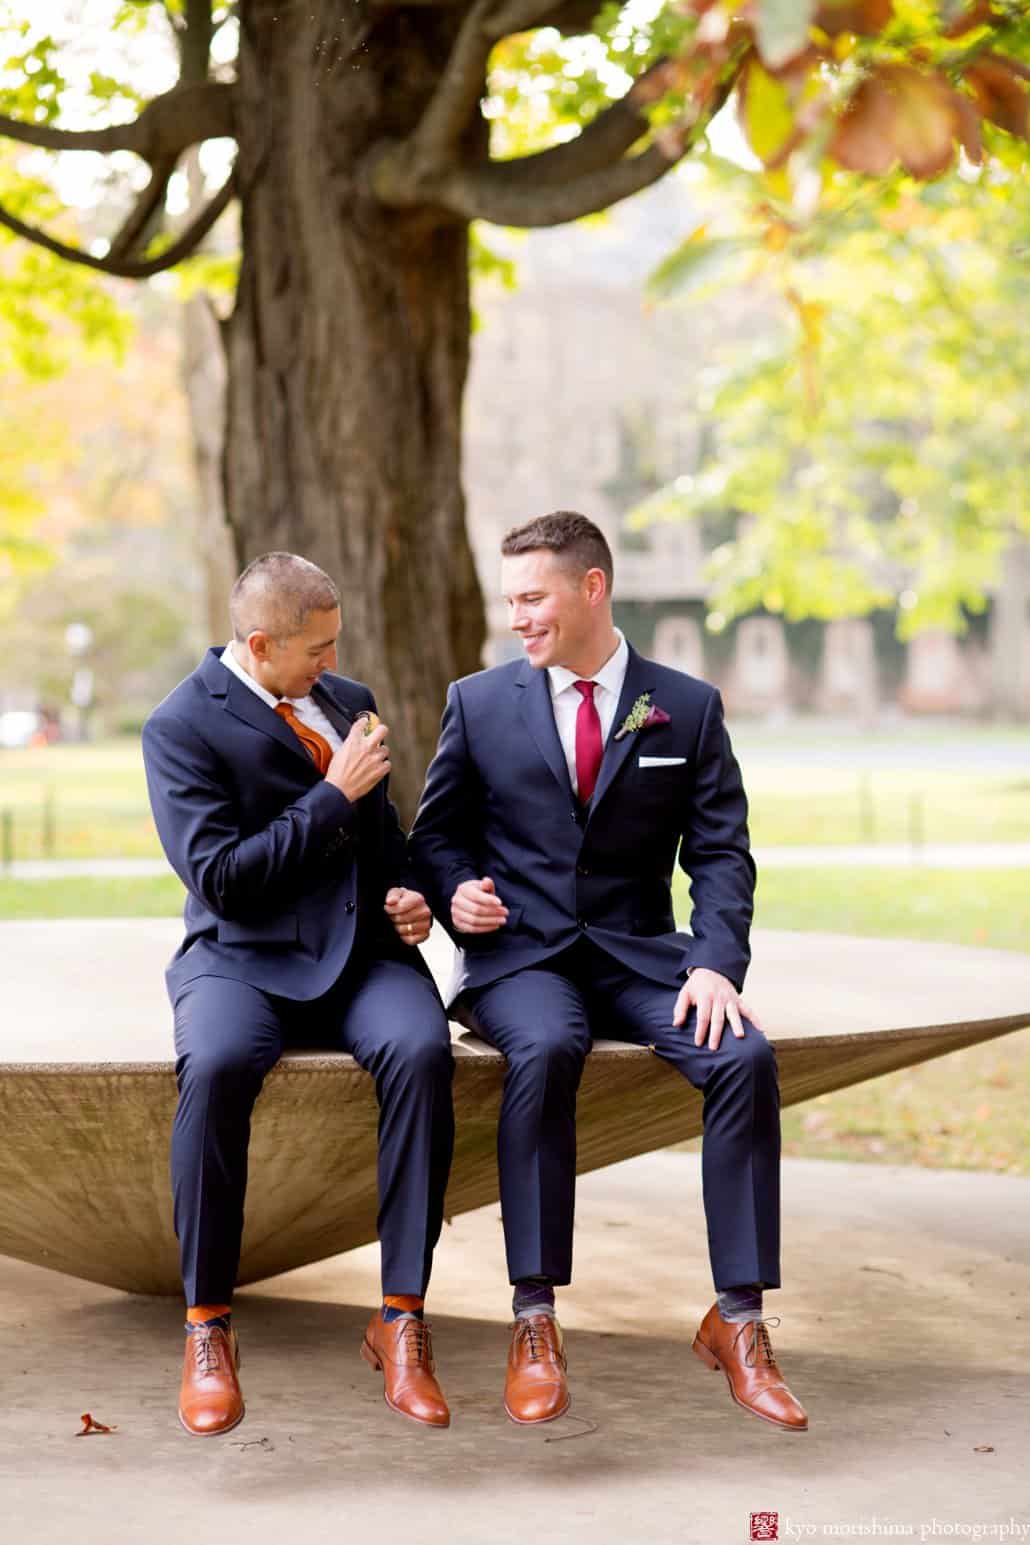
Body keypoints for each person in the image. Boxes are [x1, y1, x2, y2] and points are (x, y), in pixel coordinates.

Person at [409, 511, 807, 1432]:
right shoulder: (477, 701)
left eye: (534, 596)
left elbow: (721, 856)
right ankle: (535, 1316)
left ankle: (739, 1319)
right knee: (546, 1047)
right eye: (511, 599)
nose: (518, 617)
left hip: (640, 956)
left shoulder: (688, 707)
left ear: (592, 588)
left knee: (743, 1057)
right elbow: (438, 833)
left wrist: (713, 965)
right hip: (524, 961)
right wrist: (458, 888)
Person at [142, 552, 455, 1436]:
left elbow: (382, 832)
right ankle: (208, 1326)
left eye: (334, 644)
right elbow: (222, 877)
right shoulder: (179, 726)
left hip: (358, 955)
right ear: (260, 642)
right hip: (240, 956)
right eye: (314, 648)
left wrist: (406, 891)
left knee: (424, 1051)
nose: (331, 662)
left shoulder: (346, 698)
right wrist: (329, 795)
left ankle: (400, 1316)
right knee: (214, 1067)